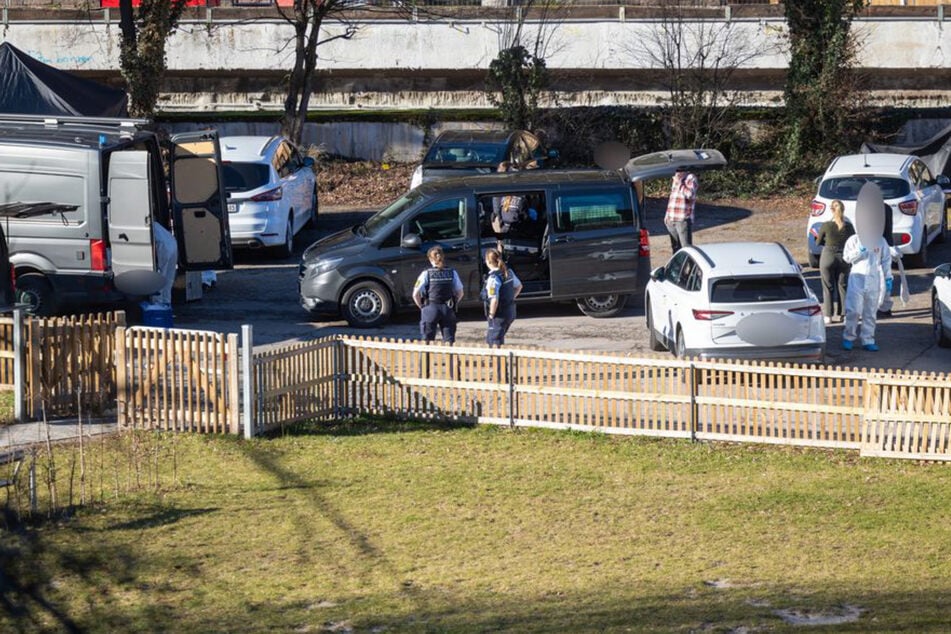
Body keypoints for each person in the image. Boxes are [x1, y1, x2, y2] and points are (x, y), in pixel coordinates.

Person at [842, 230, 892, 352]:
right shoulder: (853, 240)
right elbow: (847, 258)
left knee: (870, 312)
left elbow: (886, 260)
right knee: (853, 310)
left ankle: (868, 339)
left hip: (874, 279)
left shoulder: (880, 241)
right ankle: (848, 337)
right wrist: (860, 250)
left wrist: (888, 277)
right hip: (857, 279)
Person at [412, 246, 464, 344]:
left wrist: (422, 307)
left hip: (430, 307)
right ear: (443, 257)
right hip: (448, 308)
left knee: (427, 340)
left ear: (430, 259)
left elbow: (415, 294)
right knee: (449, 340)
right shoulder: (452, 272)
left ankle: (426, 359)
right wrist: (454, 302)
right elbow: (461, 292)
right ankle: (450, 359)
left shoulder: (426, 273)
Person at [815, 199, 855, 324]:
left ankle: (828, 316)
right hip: (844, 256)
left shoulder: (826, 225)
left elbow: (818, 242)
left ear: (831, 210)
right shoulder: (849, 227)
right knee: (843, 286)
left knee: (828, 287)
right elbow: (854, 241)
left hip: (828, 256)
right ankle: (844, 314)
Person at [481, 247, 523, 347]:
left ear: (488, 261)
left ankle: (498, 362)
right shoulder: (508, 272)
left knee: (493, 340)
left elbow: (494, 300)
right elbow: (519, 286)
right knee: (498, 337)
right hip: (510, 311)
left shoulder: (493, 278)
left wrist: (491, 315)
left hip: (499, 314)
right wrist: (510, 298)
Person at [664, 168, 699, 252]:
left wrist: (679, 182)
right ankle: (677, 265)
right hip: (671, 218)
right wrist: (666, 215)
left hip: (682, 219)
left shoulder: (691, 178)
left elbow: (689, 194)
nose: (677, 172)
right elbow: (672, 198)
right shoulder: (676, 178)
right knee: (675, 248)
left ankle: (691, 265)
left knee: (686, 249)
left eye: (678, 170)